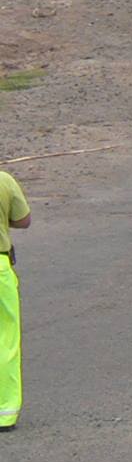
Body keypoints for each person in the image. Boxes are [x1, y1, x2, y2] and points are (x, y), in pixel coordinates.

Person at [0, 165, 25, 430]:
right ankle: (4, 413)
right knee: (5, 339)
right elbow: (24, 220)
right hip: (0, 268)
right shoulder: (4, 181)